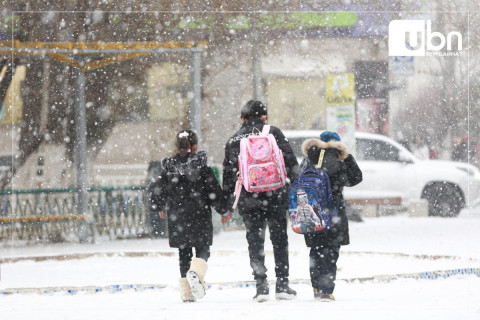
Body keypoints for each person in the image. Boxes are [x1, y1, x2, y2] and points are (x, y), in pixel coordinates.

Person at [222, 100, 300, 302]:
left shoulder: (234, 140)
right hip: (276, 195)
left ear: (243, 118)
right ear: (264, 117)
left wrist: (227, 205)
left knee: (255, 242)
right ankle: (282, 284)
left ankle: (261, 286)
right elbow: (290, 162)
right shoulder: (273, 132)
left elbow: (229, 175)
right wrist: (297, 187)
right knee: (279, 239)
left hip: (249, 198)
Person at [150, 129, 229, 302]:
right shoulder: (202, 166)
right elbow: (213, 191)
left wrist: (159, 207)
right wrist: (224, 210)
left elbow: (157, 189)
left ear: (176, 146)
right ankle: (197, 272)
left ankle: (187, 293)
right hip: (199, 214)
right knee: (203, 249)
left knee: (183, 253)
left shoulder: (169, 169)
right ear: (195, 146)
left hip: (177, 217)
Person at [300, 131, 362, 301]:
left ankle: (316, 287)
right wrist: (348, 157)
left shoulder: (309, 159)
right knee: (331, 251)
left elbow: (298, 179)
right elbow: (356, 178)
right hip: (334, 211)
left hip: (313, 211)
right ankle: (326, 290)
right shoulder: (339, 160)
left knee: (316, 250)